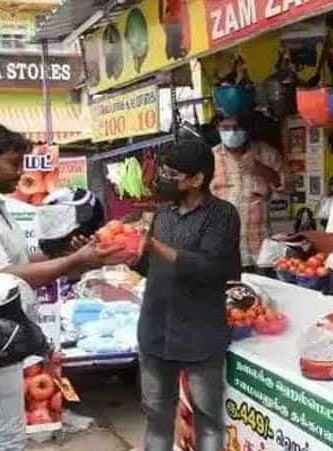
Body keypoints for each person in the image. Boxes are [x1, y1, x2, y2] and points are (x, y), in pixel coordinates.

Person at [0, 124, 128, 451]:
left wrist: (62, 253)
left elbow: (21, 261)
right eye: (13, 164)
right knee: (5, 439)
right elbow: (2, 278)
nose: (20, 173)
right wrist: (74, 261)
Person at [135, 138, 241, 451]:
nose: (164, 179)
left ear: (197, 179)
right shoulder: (163, 212)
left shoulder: (222, 215)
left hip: (200, 336)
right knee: (156, 418)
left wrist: (155, 246)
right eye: (163, 172)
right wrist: (125, 251)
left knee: (207, 419)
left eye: (172, 174)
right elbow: (148, 266)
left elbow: (211, 268)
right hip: (155, 332)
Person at [210, 114, 284, 272]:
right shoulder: (211, 157)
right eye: (226, 128)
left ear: (246, 129)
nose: (232, 132)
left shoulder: (266, 153)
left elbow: (285, 185)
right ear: (218, 128)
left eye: (236, 128)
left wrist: (259, 168)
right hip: (225, 243)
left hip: (259, 241)